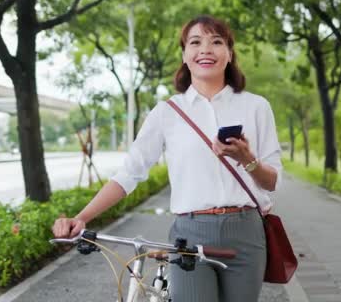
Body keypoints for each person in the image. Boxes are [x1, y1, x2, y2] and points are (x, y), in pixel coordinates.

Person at [52, 15, 282, 302]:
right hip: (190, 233)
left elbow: (272, 182)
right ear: (185, 55)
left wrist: (248, 159)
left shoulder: (257, 107)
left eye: (216, 42)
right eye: (195, 42)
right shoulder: (167, 113)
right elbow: (128, 174)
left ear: (229, 54)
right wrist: (82, 217)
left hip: (246, 233)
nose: (206, 49)